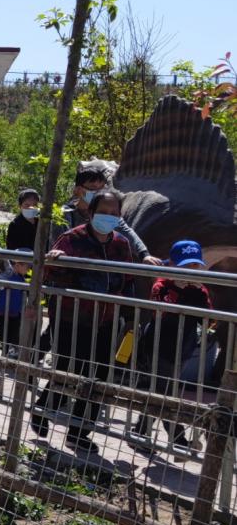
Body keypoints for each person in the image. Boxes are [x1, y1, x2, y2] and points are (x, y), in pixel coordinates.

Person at [31, 188, 136, 456]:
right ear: (90, 212)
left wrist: (129, 314)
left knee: (99, 375)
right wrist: (56, 262)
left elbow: (128, 279)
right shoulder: (72, 238)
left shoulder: (121, 245)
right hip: (72, 316)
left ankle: (80, 431)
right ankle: (44, 409)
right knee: (69, 368)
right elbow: (48, 271)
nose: (109, 217)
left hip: (107, 318)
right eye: (104, 212)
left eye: (114, 213)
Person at [132, 240, 214, 454]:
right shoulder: (162, 285)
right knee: (164, 392)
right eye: (185, 266)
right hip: (158, 345)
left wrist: (195, 291)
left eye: (195, 266)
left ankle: (139, 433)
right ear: (172, 266)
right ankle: (179, 440)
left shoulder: (201, 290)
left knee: (158, 390)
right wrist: (180, 288)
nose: (191, 271)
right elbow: (165, 310)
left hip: (182, 348)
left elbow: (208, 317)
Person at [64, 165, 159, 264]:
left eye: (101, 189)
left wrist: (144, 255)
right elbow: (58, 244)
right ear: (78, 190)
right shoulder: (66, 214)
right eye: (93, 188)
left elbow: (128, 233)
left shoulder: (109, 214)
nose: (98, 193)